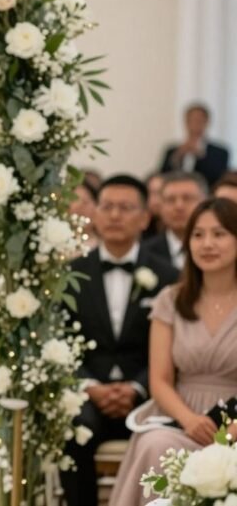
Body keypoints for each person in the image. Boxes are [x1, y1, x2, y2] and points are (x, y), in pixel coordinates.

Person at [109, 198, 237, 505]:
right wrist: (189, 420)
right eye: (198, 234)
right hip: (181, 415)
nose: (207, 244)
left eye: (219, 234)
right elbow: (160, 380)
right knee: (156, 445)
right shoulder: (171, 299)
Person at [59, 175, 177, 506]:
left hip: (147, 393)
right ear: (94, 214)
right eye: (107, 207)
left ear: (145, 218)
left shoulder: (168, 276)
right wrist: (89, 386)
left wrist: (138, 387)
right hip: (87, 394)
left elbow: (173, 350)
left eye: (125, 208)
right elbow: (60, 343)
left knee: (162, 438)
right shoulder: (70, 274)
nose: (114, 216)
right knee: (73, 428)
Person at [143, 171, 208, 270]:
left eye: (187, 198)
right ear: (160, 206)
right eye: (170, 200)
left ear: (205, 203)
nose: (179, 206)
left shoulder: (218, 249)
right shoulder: (144, 253)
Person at [159, 103, 230, 187]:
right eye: (190, 120)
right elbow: (162, 176)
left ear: (207, 122)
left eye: (198, 120)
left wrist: (201, 157)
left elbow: (219, 178)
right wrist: (178, 157)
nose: (194, 124)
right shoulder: (172, 150)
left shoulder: (220, 152)